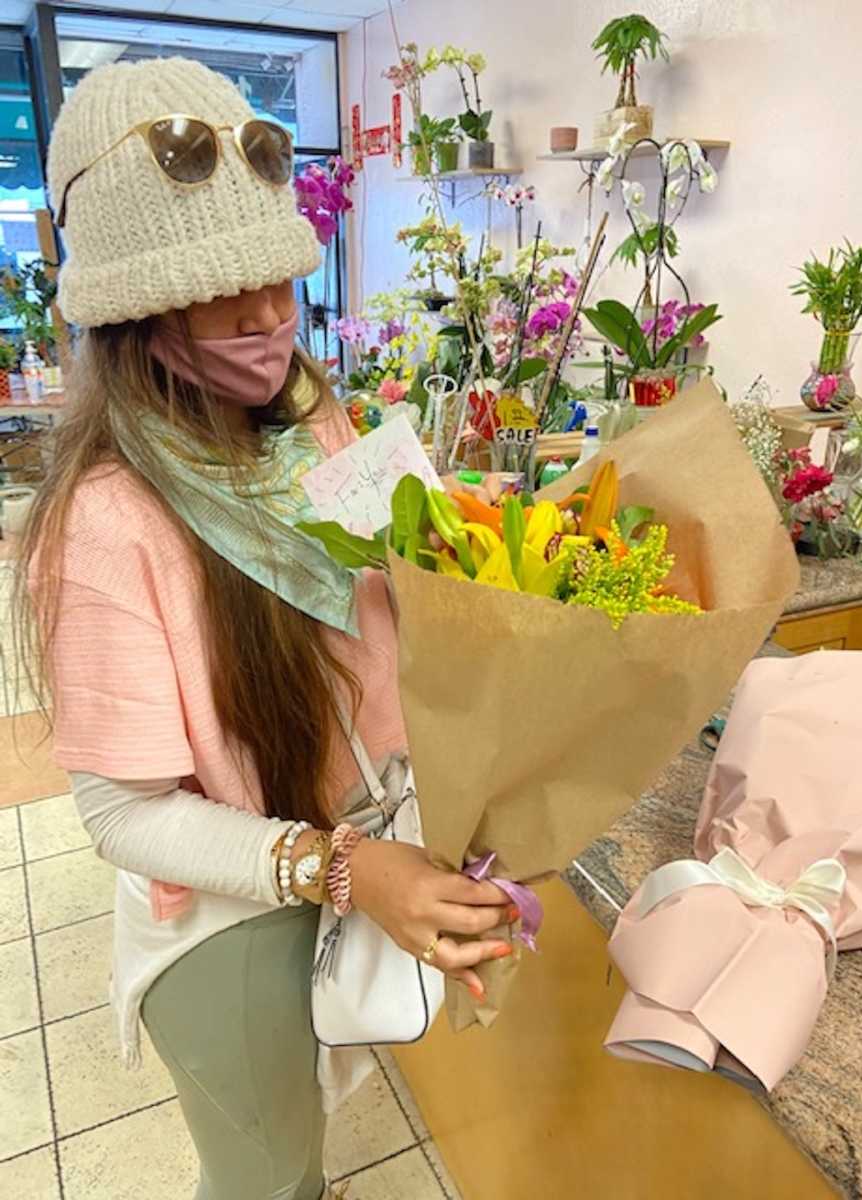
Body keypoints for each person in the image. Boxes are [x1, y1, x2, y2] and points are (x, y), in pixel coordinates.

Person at [18, 57, 513, 1200]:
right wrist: (339, 866)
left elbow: (394, 626)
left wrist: (468, 562)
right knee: (266, 1173)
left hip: (362, 842)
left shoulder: (315, 434)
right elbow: (123, 812)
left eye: (278, 275)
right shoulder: (105, 521)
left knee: (310, 1140)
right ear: (136, 311)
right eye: (222, 287)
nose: (269, 313)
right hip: (230, 908)